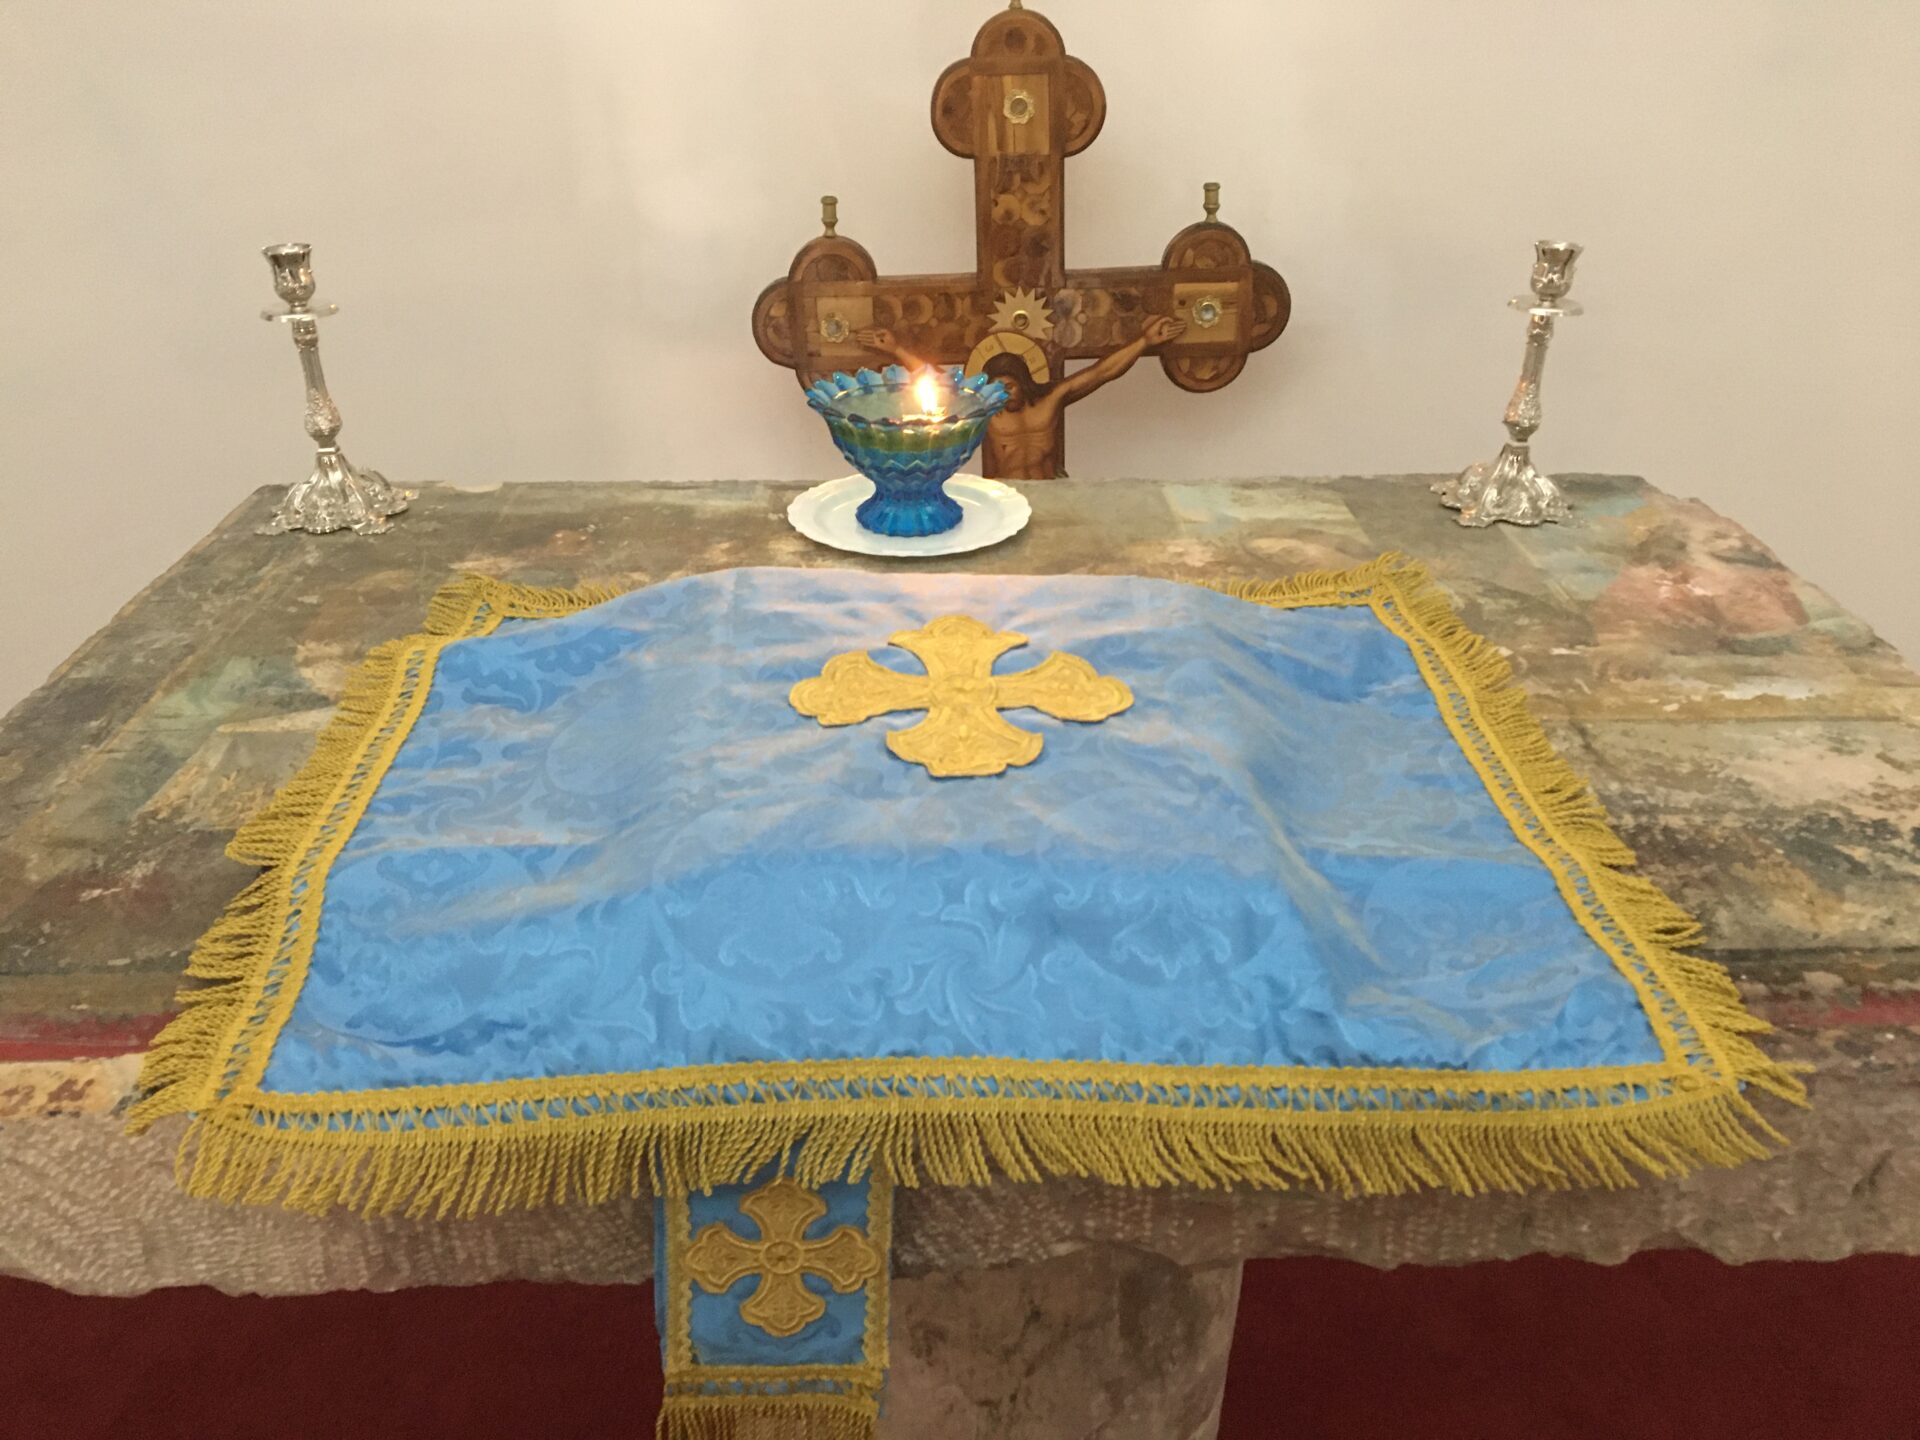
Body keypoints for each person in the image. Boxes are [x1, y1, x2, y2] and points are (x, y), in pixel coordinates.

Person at [855, 315, 1187, 481]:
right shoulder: (986, 411)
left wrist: (1144, 342)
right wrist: (896, 349)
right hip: (1007, 497)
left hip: (1052, 493)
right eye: (998, 386)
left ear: (1024, 382)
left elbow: (1101, 373)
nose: (1005, 392)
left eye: (1011, 385)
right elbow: (939, 382)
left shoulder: (1049, 403)